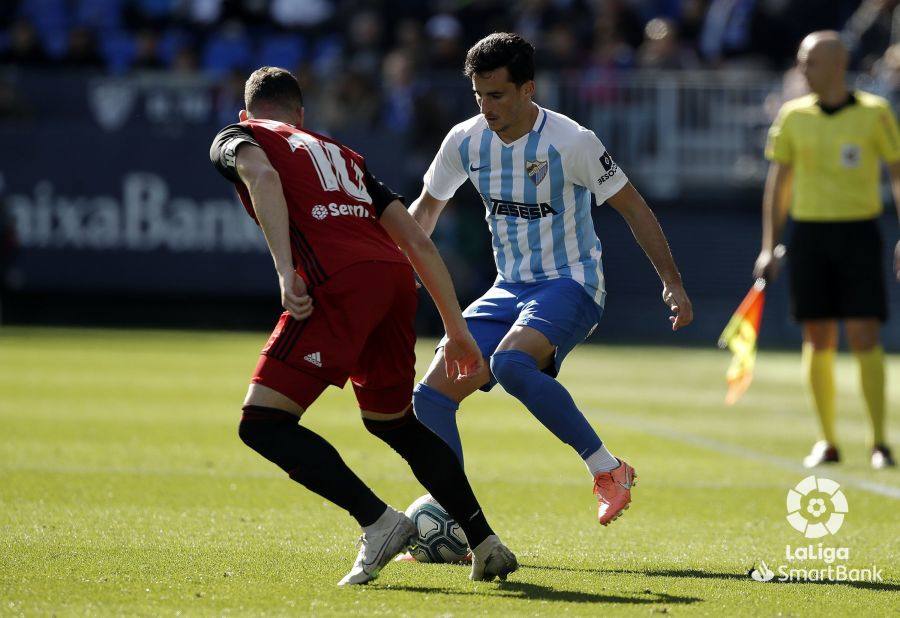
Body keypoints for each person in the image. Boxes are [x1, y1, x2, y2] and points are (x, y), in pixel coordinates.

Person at [208, 66, 518, 585]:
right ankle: (485, 541)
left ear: (247, 113)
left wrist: (286, 271)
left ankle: (379, 522)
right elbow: (417, 240)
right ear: (302, 116)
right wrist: (455, 327)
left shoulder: (240, 135)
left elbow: (261, 176)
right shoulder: (345, 157)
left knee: (262, 424)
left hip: (339, 284)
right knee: (393, 422)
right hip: (395, 281)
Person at [408, 33, 693, 528]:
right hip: (507, 289)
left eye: (496, 95)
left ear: (527, 89)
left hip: (573, 283)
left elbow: (635, 209)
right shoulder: (465, 140)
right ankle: (460, 523)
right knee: (429, 396)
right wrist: (393, 268)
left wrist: (671, 280)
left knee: (512, 364)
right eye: (478, 95)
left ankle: (608, 470)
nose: (486, 106)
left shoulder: (571, 142)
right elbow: (425, 212)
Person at [754, 31, 899, 470]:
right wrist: (769, 245)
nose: (802, 70)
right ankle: (827, 440)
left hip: (858, 234)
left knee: (864, 334)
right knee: (817, 336)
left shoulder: (875, 114)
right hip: (810, 236)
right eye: (801, 61)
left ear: (838, 64)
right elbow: (779, 185)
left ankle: (879, 441)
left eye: (810, 61)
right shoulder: (793, 116)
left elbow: (897, 175)